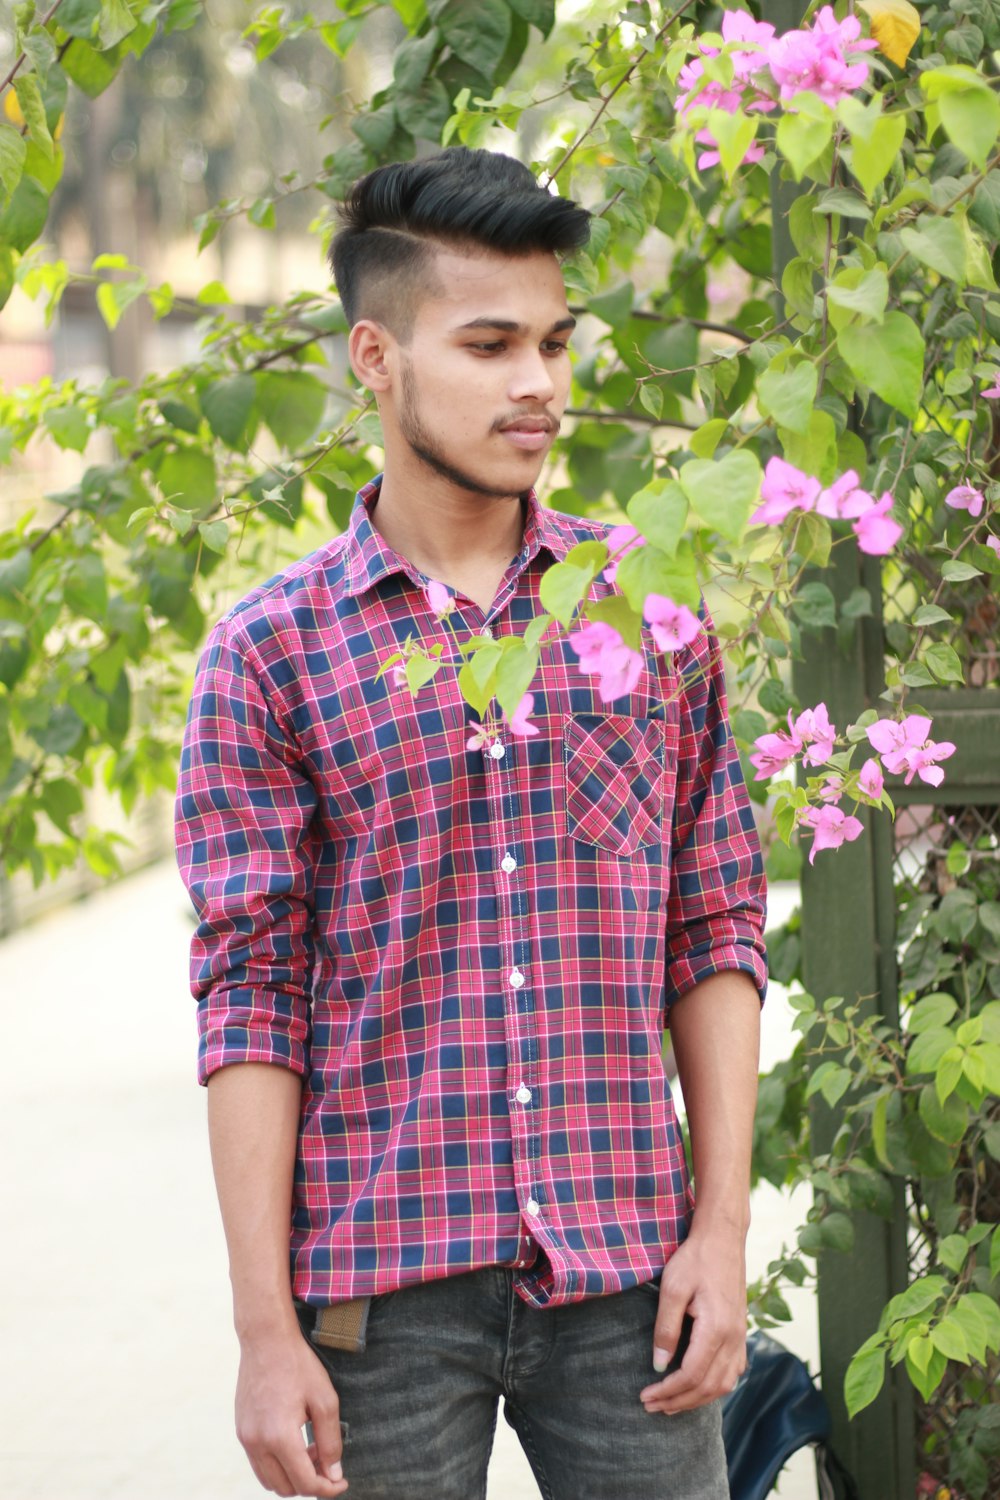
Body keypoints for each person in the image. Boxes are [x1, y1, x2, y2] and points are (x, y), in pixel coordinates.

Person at [174, 145, 767, 1500]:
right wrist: (263, 1331)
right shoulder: (271, 654)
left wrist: (720, 1234)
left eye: (555, 342)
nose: (540, 384)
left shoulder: (646, 612)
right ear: (375, 359)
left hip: (632, 1287)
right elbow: (250, 998)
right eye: (491, 344)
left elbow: (716, 922)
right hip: (378, 1304)